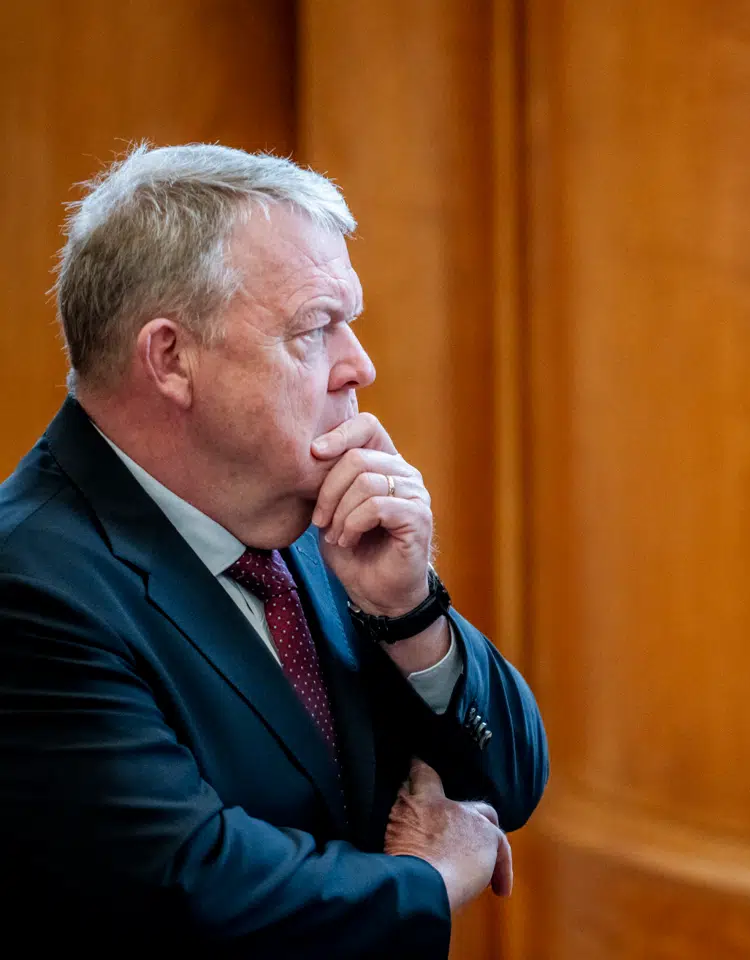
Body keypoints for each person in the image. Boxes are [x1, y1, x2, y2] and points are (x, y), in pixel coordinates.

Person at [0, 144, 548, 957]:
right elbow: (199, 890)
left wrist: (411, 615)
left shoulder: (300, 509)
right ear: (171, 359)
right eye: (316, 328)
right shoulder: (30, 587)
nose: (359, 365)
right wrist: (430, 881)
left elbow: (507, 783)